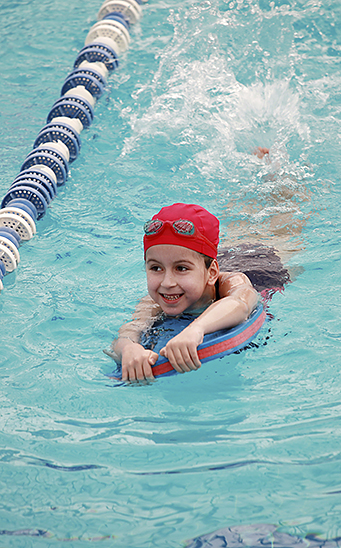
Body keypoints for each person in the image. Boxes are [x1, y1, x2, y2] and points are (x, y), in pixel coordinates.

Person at [106, 202, 260, 383]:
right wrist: (128, 349)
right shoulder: (152, 303)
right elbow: (129, 331)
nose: (167, 282)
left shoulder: (232, 282)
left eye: (181, 268)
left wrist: (195, 329)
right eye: (156, 268)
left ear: (211, 274)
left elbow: (240, 304)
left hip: (260, 265)